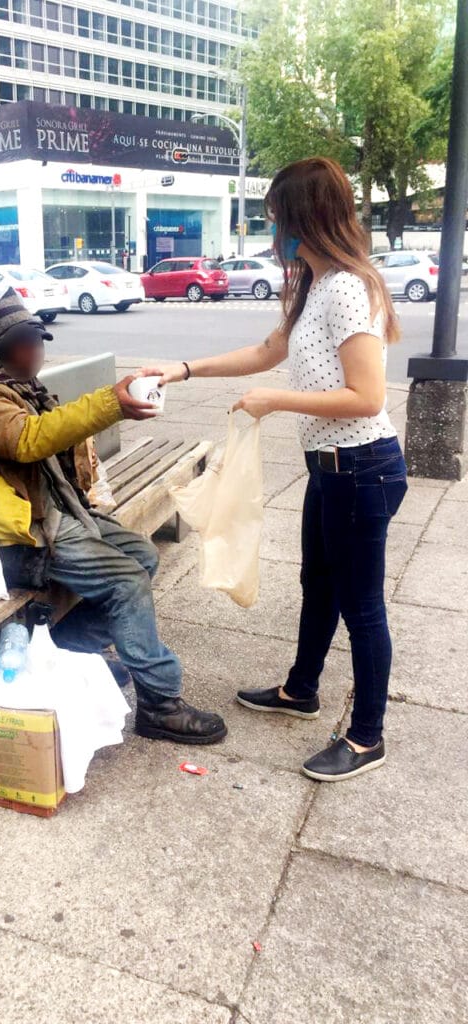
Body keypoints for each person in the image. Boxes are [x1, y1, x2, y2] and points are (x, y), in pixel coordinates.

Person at [141, 156, 406, 781]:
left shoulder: (348, 287)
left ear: (304, 217)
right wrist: (182, 370)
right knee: (319, 584)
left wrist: (275, 400)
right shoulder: (316, 284)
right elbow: (266, 350)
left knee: (362, 607)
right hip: (331, 469)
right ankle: (300, 689)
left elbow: (368, 397)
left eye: (277, 218)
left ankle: (367, 736)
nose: (273, 232)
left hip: (361, 469)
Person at [0, 288, 227, 745]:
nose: (37, 351)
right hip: (11, 537)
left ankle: (68, 653)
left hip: (47, 512)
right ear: (1, 347)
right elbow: (29, 440)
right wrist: (110, 404)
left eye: (40, 341)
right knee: (126, 580)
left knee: (142, 556)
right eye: (28, 342)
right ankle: (160, 703)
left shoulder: (20, 387)